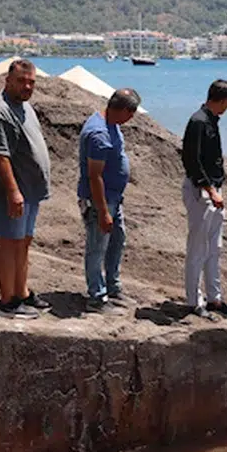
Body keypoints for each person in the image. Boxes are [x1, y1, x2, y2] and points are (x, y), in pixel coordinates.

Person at [0, 59, 51, 319]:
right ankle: (6, 301)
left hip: (30, 190)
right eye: (21, 81)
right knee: (9, 243)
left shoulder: (25, 106)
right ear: (7, 80)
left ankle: (21, 292)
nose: (27, 86)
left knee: (23, 242)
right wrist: (13, 191)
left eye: (31, 82)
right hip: (12, 191)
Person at [78, 88, 141, 314]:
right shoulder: (99, 134)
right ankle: (96, 296)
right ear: (122, 110)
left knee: (117, 240)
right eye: (130, 113)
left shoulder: (111, 124)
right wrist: (103, 211)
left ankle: (112, 288)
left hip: (115, 197)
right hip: (101, 201)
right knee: (97, 246)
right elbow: (94, 176)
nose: (131, 119)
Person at [181, 79, 227, 318]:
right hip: (201, 190)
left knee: (215, 246)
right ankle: (193, 301)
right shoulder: (198, 121)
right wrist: (210, 190)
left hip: (213, 188)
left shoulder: (211, 121)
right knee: (198, 246)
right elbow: (191, 160)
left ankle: (214, 298)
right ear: (222, 100)